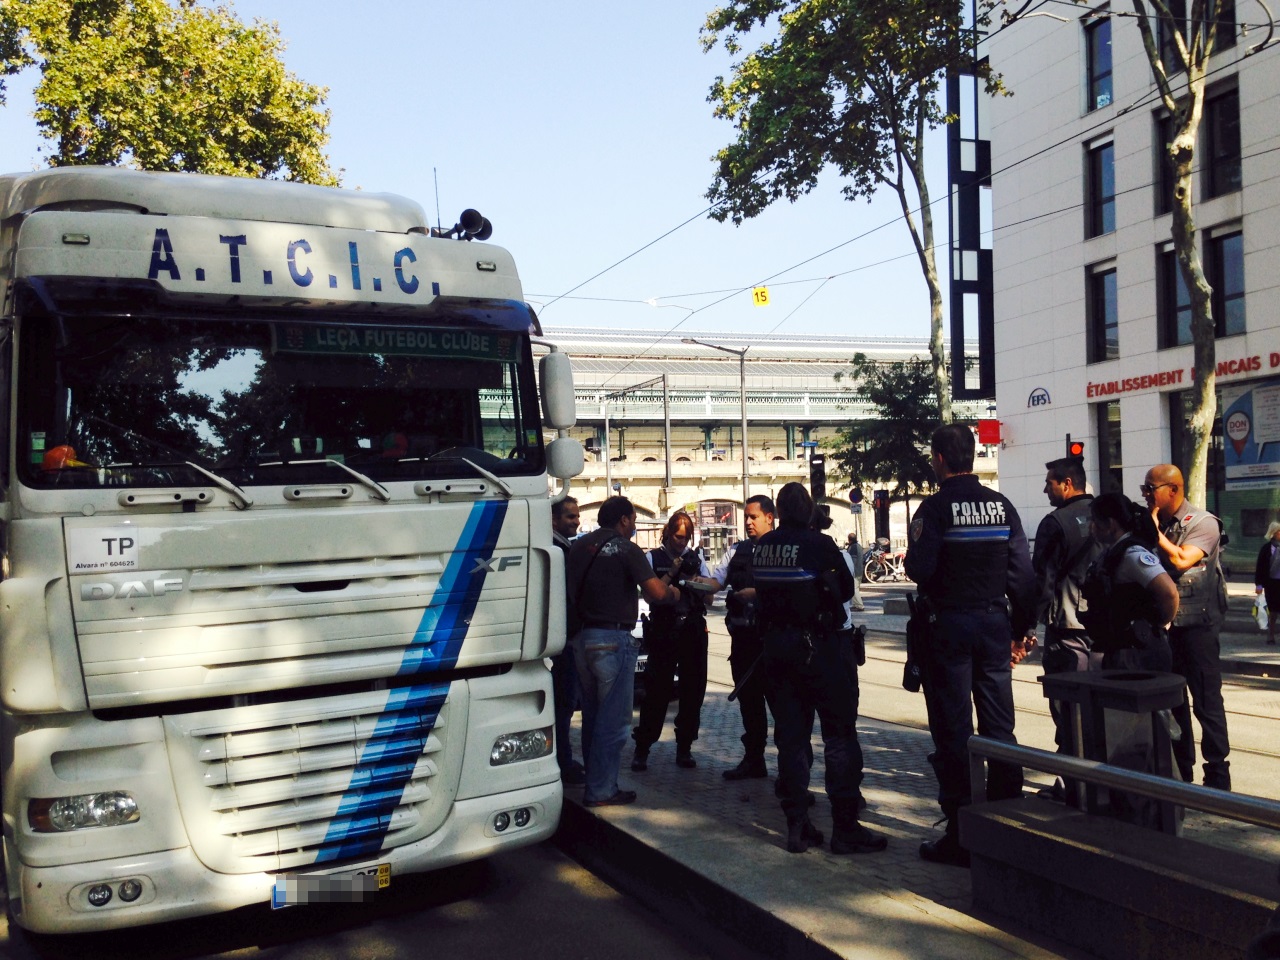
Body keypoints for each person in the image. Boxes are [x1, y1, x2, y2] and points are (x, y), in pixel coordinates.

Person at [903, 424, 1035, 868]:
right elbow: (1023, 576)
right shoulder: (1002, 506)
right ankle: (1007, 823)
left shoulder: (935, 508)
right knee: (1000, 726)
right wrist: (1021, 629)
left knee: (953, 730)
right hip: (994, 624)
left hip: (949, 627)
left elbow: (920, 569)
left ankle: (961, 834)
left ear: (940, 459)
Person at [753, 482, 886, 856]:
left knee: (791, 740)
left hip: (777, 650)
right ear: (808, 510)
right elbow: (844, 591)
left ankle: (797, 826)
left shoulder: (763, 547)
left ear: (779, 512)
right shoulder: (819, 544)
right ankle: (845, 828)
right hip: (822, 650)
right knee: (839, 737)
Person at [567, 497, 682, 807]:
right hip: (612, 640)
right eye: (632, 520)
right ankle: (602, 790)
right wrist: (674, 592)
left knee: (592, 716)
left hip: (581, 639)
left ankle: (595, 781)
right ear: (623, 520)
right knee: (614, 721)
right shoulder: (626, 549)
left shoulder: (578, 547)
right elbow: (655, 592)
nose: (633, 526)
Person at [1142, 464, 1232, 790]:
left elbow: (1182, 559)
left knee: (1206, 703)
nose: (1146, 494)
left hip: (1197, 628)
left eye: (1151, 488)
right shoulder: (1155, 522)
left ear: (1173, 490)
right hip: (1165, 628)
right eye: (1144, 488)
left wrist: (1154, 533)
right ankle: (1182, 772)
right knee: (1172, 703)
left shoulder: (1203, 523)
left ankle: (1217, 775)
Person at [1029, 456, 1102, 757]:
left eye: (1049, 484)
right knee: (1100, 704)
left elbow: (1042, 582)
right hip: (1104, 629)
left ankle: (1071, 772)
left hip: (1066, 628)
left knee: (1067, 706)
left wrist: (1026, 627)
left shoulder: (1055, 523)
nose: (1045, 490)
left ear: (1067, 484)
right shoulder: (1108, 515)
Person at [631, 511, 714, 771]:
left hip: (692, 628)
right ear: (667, 533)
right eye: (678, 537)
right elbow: (650, 595)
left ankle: (685, 748)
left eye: (686, 538)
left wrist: (696, 581)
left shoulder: (696, 559)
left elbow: (711, 596)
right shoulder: (652, 558)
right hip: (664, 629)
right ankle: (643, 747)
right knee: (657, 691)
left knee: (693, 692)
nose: (682, 542)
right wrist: (672, 573)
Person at [709, 495, 777, 780]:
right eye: (746, 517)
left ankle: (791, 773)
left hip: (773, 643)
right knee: (750, 704)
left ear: (769, 518)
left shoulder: (782, 548)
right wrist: (700, 584)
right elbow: (717, 580)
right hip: (744, 640)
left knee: (782, 707)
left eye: (753, 517)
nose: (748, 522)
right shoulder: (738, 550)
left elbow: (792, 590)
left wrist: (758, 595)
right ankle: (754, 760)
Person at [1079, 493, 1179, 672]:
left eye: (1095, 520)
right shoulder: (1113, 552)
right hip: (1120, 646)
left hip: (1137, 652)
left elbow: (1169, 592)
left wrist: (1158, 623)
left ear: (1110, 524)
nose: (1091, 526)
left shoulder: (1132, 554)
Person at [550, 496, 586, 785]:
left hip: (564, 639)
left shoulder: (563, 548)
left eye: (577, 516)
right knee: (563, 704)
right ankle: (563, 762)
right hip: (563, 641)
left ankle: (563, 759)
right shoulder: (558, 551)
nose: (577, 521)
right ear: (554, 520)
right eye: (570, 517)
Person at [1254, 521, 1280, 646]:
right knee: (1273, 610)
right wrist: (1259, 584)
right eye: (1279, 532)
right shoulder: (1266, 549)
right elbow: (1260, 567)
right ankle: (1271, 634)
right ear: (1273, 533)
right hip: (1271, 584)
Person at [845, 532, 865, 612]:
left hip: (855, 571)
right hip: (859, 570)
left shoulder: (853, 547)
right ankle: (856, 604)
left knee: (854, 588)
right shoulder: (858, 546)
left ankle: (860, 605)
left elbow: (852, 560)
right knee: (855, 588)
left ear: (849, 540)